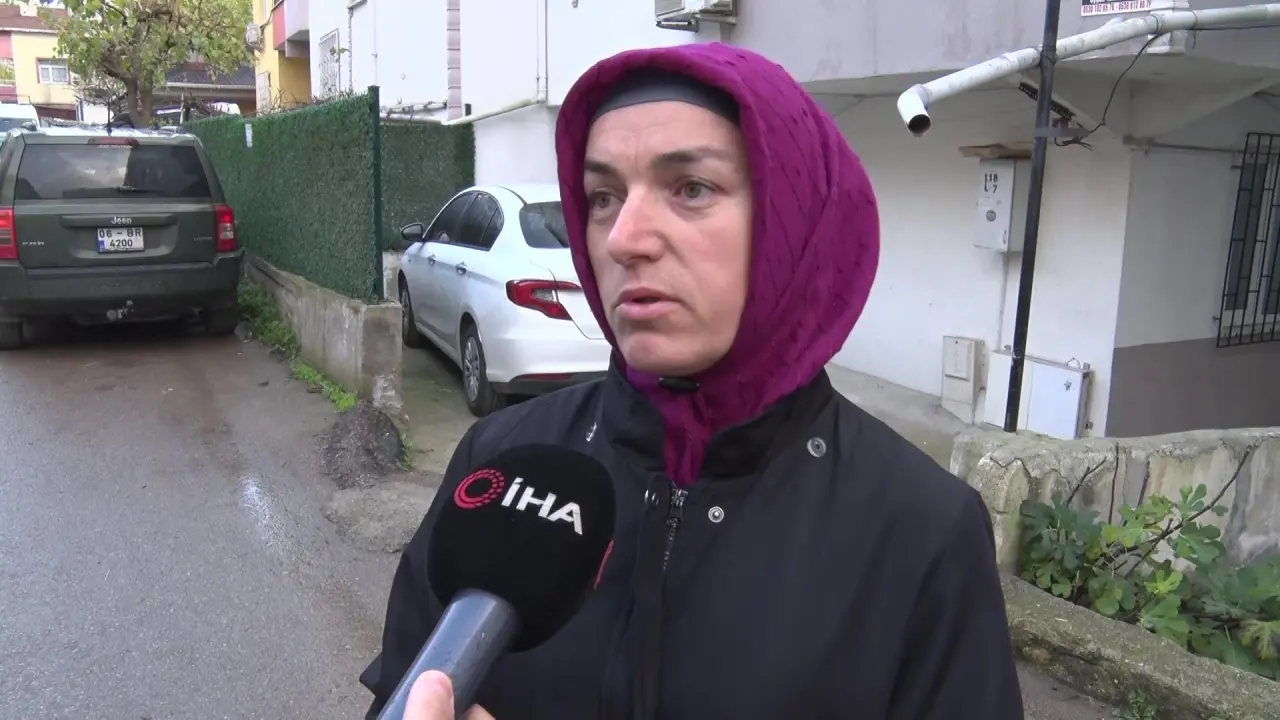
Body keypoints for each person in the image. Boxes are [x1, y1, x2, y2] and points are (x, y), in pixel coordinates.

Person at [362, 41, 1025, 720]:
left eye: (691, 189)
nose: (624, 238)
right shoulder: (501, 460)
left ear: (793, 220)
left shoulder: (922, 532)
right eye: (602, 197)